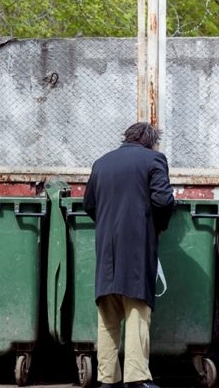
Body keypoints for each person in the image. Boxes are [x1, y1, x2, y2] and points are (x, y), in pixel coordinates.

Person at [83, 122, 175, 388]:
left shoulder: (101, 163)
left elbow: (89, 204)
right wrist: (157, 226)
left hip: (106, 250)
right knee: (137, 311)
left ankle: (108, 379)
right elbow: (163, 200)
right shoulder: (154, 160)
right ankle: (137, 378)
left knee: (108, 316)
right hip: (136, 248)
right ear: (151, 141)